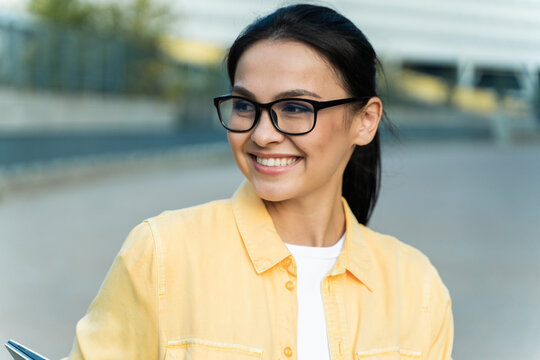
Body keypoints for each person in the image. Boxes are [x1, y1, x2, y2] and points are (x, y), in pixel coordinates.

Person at [64, 4, 453, 360]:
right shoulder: (162, 254)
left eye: (296, 108)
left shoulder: (416, 287)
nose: (262, 134)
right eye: (246, 105)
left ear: (365, 120)